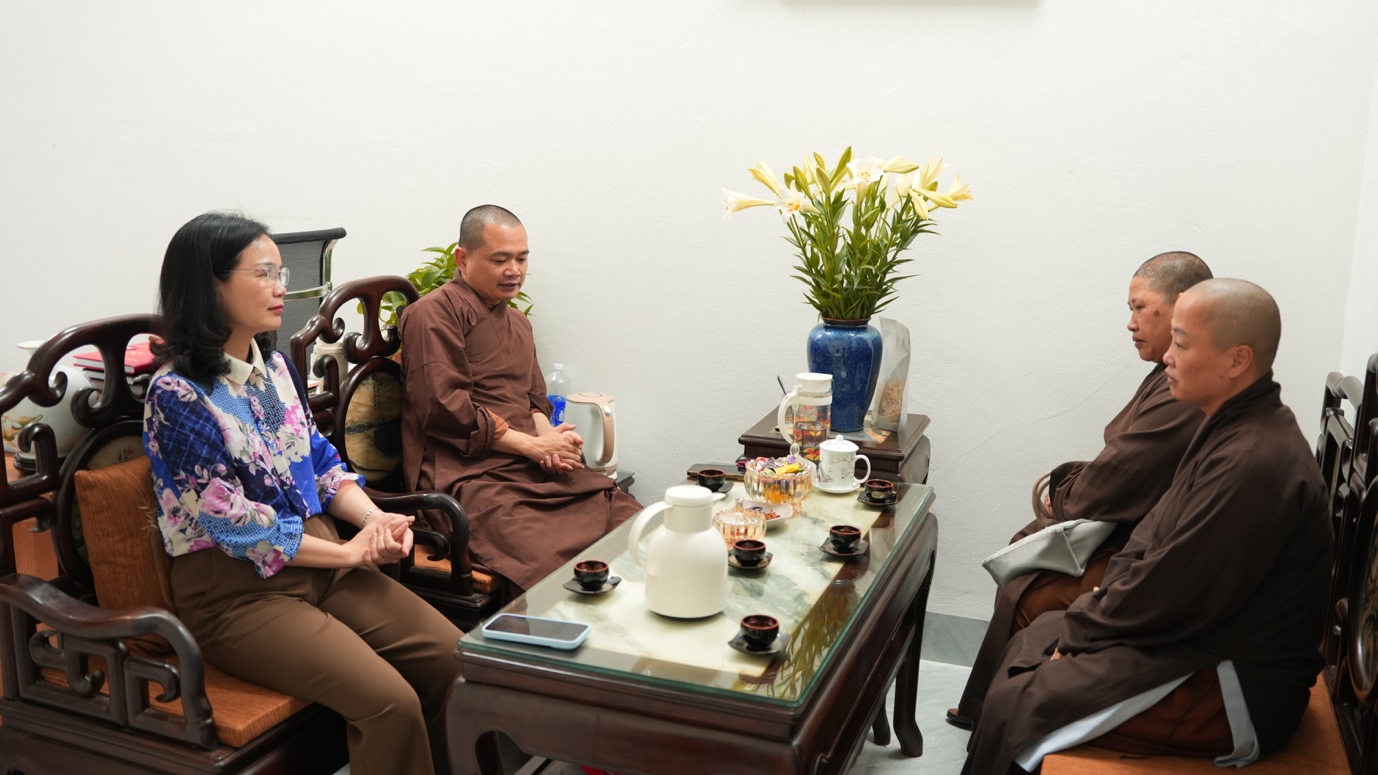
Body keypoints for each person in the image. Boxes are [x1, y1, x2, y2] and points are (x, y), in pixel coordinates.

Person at [962, 279, 1331, 775]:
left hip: (1234, 683)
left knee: (1025, 699)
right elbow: (1149, 538)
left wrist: (1087, 630)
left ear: (1237, 360)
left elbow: (1179, 587)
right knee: (1036, 637)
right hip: (1193, 637)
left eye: (1182, 344)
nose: (1169, 358)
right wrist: (1093, 613)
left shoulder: (1257, 462)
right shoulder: (1229, 425)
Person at [142, 212, 463, 775]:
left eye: (281, 273)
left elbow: (316, 464)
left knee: (457, 662)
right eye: (264, 273)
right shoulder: (178, 395)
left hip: (320, 559)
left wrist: (373, 522)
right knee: (390, 703)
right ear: (211, 285)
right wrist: (348, 553)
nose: (281, 288)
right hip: (237, 593)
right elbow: (235, 524)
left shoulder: (272, 369)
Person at [949, 251, 1212, 729]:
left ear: (1182, 306)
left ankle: (1002, 715)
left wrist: (1067, 496)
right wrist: (1069, 489)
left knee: (1029, 594)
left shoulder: (1190, 388)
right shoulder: (1172, 372)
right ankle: (993, 714)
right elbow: (1128, 462)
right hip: (1136, 534)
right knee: (1028, 557)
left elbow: (1127, 473)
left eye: (1139, 307)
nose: (1130, 323)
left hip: (1150, 556)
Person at [399, 205, 642, 592]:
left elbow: (533, 399)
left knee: (634, 523)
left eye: (521, 258)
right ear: (462, 259)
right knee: (550, 559)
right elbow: (444, 408)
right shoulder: (432, 314)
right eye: (500, 260)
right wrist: (532, 446)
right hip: (470, 476)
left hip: (530, 466)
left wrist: (551, 442)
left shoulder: (518, 322)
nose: (514, 270)